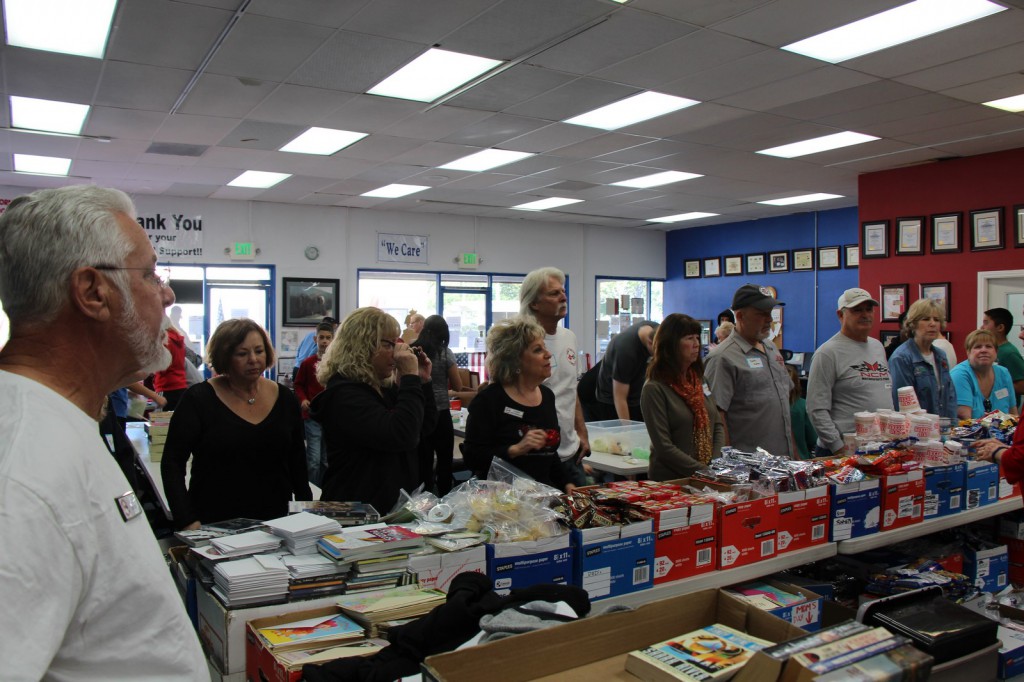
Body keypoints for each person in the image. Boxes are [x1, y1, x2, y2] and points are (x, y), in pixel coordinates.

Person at [0, 185, 207, 677]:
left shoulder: (58, 424)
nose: (167, 293)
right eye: (150, 274)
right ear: (93, 292)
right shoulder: (22, 472)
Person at [162, 318, 312, 529]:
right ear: (224, 356)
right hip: (215, 523)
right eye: (242, 354)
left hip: (276, 523)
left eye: (259, 351)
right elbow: (172, 463)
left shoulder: (285, 399)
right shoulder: (198, 400)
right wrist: (186, 519)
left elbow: (297, 460)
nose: (253, 359)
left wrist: (307, 513)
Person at [311, 307, 436, 514]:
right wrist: (409, 378)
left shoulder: (380, 388)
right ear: (362, 346)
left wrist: (422, 381)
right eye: (388, 344)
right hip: (354, 512)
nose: (396, 351)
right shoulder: (344, 395)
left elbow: (423, 427)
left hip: (385, 509)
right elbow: (403, 435)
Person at [463, 316, 571, 491]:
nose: (548, 354)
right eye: (538, 350)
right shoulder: (489, 400)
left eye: (545, 347)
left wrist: (567, 483)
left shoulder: (547, 396)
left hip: (541, 495)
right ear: (515, 360)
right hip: (501, 498)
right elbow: (472, 457)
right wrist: (515, 449)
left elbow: (549, 454)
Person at [705, 284, 794, 458]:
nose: (769, 319)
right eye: (761, 313)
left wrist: (795, 454)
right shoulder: (722, 357)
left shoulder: (771, 348)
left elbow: (783, 408)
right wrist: (728, 464)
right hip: (749, 465)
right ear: (740, 316)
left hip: (782, 461)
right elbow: (716, 417)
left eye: (770, 313)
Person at [520, 267, 590, 486]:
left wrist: (582, 433)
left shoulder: (569, 337)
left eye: (563, 291)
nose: (563, 297)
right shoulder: (519, 342)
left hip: (571, 452)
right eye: (554, 293)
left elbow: (571, 389)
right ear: (534, 303)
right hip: (537, 455)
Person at [806, 288, 894, 455]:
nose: (865, 315)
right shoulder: (827, 353)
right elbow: (816, 408)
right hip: (842, 451)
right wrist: (838, 447)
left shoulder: (877, 347)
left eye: (869, 309)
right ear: (841, 315)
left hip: (878, 448)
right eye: (857, 310)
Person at [641, 313, 725, 480]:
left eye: (697, 338)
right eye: (689, 338)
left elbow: (717, 424)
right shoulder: (654, 388)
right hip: (671, 480)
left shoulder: (700, 380)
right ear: (671, 344)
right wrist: (704, 471)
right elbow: (664, 447)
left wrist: (714, 465)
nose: (696, 344)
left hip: (706, 476)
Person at [412, 315, 464, 495]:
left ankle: (423, 497)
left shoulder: (414, 350)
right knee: (444, 460)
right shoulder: (445, 352)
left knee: (423, 460)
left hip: (419, 412)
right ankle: (444, 497)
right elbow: (458, 386)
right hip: (441, 412)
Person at [888, 298, 956, 419]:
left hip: (944, 427)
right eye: (926, 319)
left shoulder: (941, 355)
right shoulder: (902, 358)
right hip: (918, 427)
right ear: (913, 324)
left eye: (937, 320)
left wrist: (952, 425)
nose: (933, 324)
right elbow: (903, 407)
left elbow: (950, 396)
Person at [294, 320, 335, 486]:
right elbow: (298, 385)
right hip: (312, 415)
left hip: (330, 416)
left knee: (326, 459)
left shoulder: (336, 365)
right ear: (315, 339)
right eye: (321, 337)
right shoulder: (307, 363)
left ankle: (325, 490)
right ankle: (312, 491)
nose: (324, 341)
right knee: (313, 459)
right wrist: (303, 399)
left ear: (333, 340)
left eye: (328, 338)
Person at [595, 320, 658, 421]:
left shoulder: (659, 331)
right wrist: (627, 428)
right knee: (625, 429)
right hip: (612, 401)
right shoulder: (625, 351)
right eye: (656, 353)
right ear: (650, 343)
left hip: (637, 395)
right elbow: (619, 398)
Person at [950, 329, 1019, 419]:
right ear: (968, 352)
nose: (984, 350)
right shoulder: (959, 374)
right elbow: (964, 417)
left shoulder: (1004, 373)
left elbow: (1013, 413)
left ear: (996, 352)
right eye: (978, 347)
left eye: (989, 346)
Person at [982, 307, 1024, 405]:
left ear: (1000, 328)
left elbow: (1022, 386)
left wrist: (994, 384)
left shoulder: (1009, 353)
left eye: (986, 323)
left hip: (1005, 408)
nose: (982, 327)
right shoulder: (994, 351)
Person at [152, 315, 188, 410]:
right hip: (181, 385)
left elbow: (161, 366)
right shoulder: (178, 340)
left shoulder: (164, 341)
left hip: (166, 386)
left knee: (161, 419)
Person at [293, 315, 338, 380]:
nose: (335, 330)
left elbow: (299, 349)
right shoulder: (320, 338)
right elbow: (313, 354)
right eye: (334, 328)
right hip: (308, 368)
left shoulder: (309, 334)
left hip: (297, 366)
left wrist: (298, 361)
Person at [787, 365, 817, 460]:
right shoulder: (803, 405)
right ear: (798, 383)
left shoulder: (770, 408)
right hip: (800, 460)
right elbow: (813, 438)